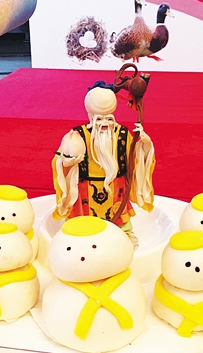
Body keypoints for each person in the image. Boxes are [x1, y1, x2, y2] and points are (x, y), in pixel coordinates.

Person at [52, 81, 155, 239]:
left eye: (109, 119)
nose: (104, 123)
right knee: (84, 225)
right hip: (86, 190)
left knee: (119, 225)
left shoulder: (122, 134)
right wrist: (69, 163)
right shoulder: (77, 136)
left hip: (116, 189)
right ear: (90, 117)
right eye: (99, 119)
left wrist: (145, 144)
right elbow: (61, 161)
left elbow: (137, 159)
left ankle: (122, 238)